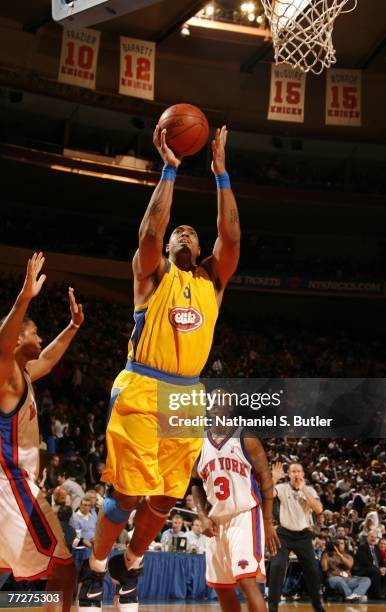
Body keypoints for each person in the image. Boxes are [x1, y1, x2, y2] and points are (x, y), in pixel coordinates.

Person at [78, 125, 241, 612]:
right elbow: (150, 229)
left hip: (187, 395)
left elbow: (231, 238)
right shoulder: (152, 273)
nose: (184, 233)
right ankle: (96, 567)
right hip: (142, 385)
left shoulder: (211, 281)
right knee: (127, 494)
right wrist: (170, 168)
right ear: (168, 248)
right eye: (178, 233)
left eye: (192, 231)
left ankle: (130, 561)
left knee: (167, 498)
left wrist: (221, 176)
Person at [0, 253, 84, 612]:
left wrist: (74, 326)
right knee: (63, 568)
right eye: (35, 332)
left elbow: (48, 358)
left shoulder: (24, 376)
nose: (41, 337)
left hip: (12, 486)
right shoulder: (5, 377)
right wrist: (24, 298)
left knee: (19, 577)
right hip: (12, 486)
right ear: (18, 338)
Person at [191, 391, 280, 612]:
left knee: (247, 581)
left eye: (219, 403)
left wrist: (268, 522)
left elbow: (267, 482)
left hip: (244, 515)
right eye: (211, 403)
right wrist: (202, 517)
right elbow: (194, 484)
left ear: (229, 408)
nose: (213, 407)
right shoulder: (198, 443)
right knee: (221, 587)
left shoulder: (246, 439)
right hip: (216, 519)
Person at [267, 462, 325, 612]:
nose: (296, 474)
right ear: (289, 475)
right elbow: (266, 494)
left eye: (299, 471)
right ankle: (272, 607)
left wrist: (303, 489)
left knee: (312, 569)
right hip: (284, 534)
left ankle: (318, 606)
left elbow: (319, 509)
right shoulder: (281, 488)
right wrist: (273, 479)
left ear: (303, 474)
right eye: (293, 471)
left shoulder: (310, 490)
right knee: (277, 566)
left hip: (303, 535)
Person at [321, 537, 371, 602]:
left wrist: (339, 554)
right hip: (334, 578)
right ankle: (352, 596)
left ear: (345, 545)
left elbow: (349, 565)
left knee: (366, 580)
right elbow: (324, 569)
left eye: (342, 544)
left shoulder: (348, 556)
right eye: (338, 544)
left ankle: (356, 594)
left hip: (348, 580)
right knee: (338, 580)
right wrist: (325, 555)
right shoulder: (328, 556)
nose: (339, 545)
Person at [354, 530, 386, 599]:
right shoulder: (362, 547)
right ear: (367, 537)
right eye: (371, 537)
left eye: (375, 537)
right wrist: (378, 569)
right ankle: (377, 594)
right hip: (364, 569)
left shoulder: (376, 548)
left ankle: (382, 593)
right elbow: (365, 561)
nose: (373, 539)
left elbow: (381, 561)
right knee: (375, 571)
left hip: (375, 569)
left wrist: (385, 568)